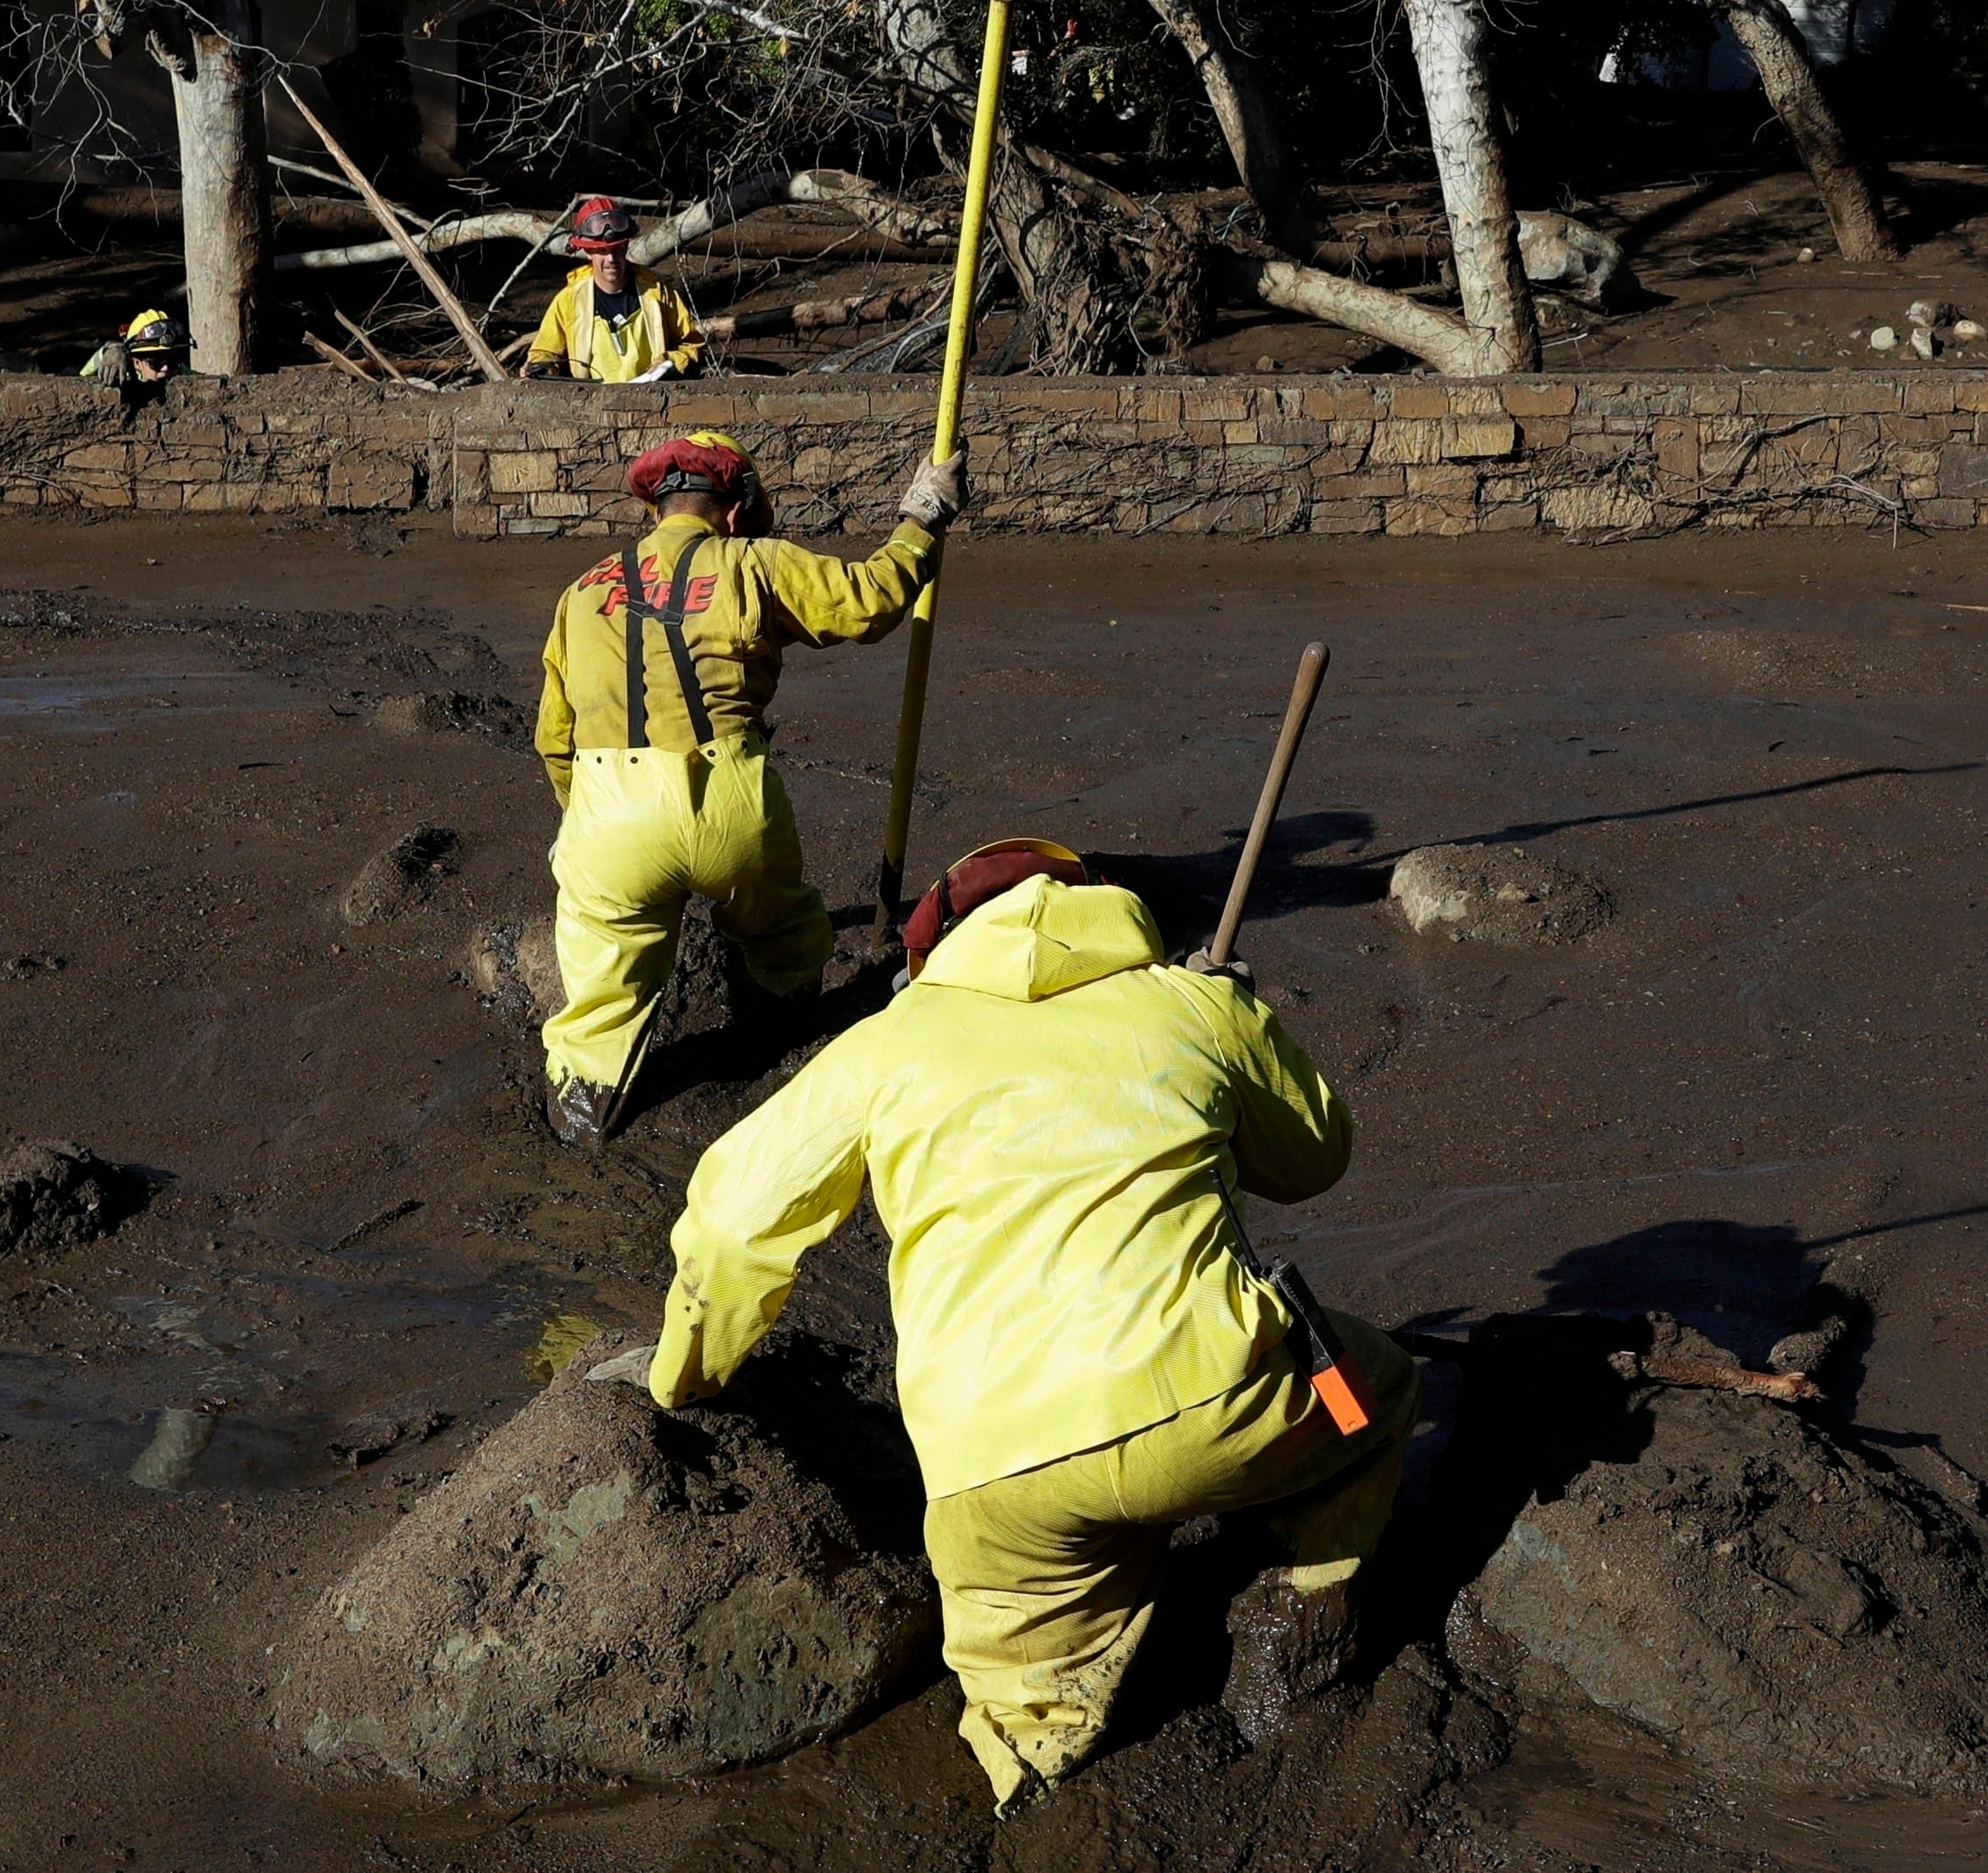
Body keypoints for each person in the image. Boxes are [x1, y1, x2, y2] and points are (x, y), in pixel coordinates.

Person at [647, 841, 1417, 1813]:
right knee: (1377, 1391)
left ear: (934, 951)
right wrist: (1239, 1014)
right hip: (1222, 1406)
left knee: (1025, 1728)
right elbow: (1314, 1154)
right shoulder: (1189, 1003)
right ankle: (1299, 1623)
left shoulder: (890, 1043)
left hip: (989, 1469)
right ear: (1106, 913)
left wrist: (685, 1378)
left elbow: (729, 1220)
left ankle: (1036, 1784)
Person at [530, 428, 960, 1140]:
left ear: (656, 510)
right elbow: (870, 601)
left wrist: (583, 818)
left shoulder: (581, 593)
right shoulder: (754, 563)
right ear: (735, 510)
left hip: (608, 805)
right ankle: (779, 1055)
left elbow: (554, 737)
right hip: (730, 791)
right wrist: (923, 518)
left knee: (601, 1001)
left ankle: (584, 1119)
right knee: (784, 933)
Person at [523, 196, 705, 381]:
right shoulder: (570, 300)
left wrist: (670, 363)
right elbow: (544, 352)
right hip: (591, 404)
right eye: (602, 251)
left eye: (616, 249)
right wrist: (542, 368)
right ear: (588, 251)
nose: (611, 259)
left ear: (626, 246)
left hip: (655, 402)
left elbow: (691, 344)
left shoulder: (657, 293)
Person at [78, 307, 185, 387]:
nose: (166, 368)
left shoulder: (182, 370)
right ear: (136, 362)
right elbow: (82, 378)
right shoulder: (124, 373)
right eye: (156, 363)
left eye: (173, 361)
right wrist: (111, 348)